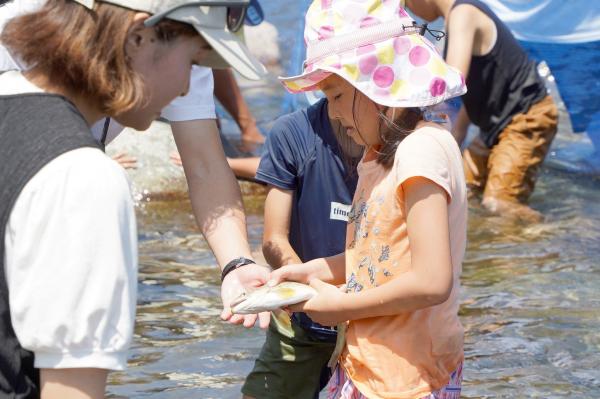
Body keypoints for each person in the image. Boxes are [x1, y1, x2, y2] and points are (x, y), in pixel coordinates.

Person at [0, 0, 266, 397]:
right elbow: (72, 387)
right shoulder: (84, 179)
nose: (187, 89)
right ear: (139, 35)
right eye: (193, 62)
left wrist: (236, 261)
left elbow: (206, 166)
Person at [268, 0, 468, 397]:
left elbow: (432, 280)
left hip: (408, 376)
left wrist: (340, 307)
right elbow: (380, 257)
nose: (333, 113)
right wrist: (314, 272)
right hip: (368, 365)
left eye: (336, 95)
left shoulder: (422, 151)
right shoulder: (379, 157)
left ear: (380, 86)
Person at [242, 98, 362, 399]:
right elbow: (273, 239)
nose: (338, 107)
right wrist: (308, 289)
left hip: (373, 318)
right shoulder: (293, 133)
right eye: (333, 94)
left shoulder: (402, 142)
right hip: (300, 318)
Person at [405, 0, 559, 220]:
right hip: (496, 124)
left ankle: (554, 232)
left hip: (527, 117)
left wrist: (408, 105)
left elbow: (453, 81)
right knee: (463, 190)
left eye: (406, 4)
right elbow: (478, 86)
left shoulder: (464, 13)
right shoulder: (457, 17)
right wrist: (457, 135)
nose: (410, 11)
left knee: (499, 203)